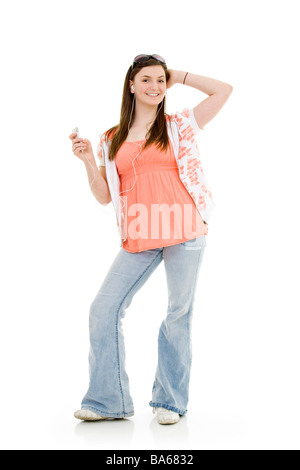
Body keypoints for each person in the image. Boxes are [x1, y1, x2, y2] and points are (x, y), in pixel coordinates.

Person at [69, 54, 233, 425]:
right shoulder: (111, 138)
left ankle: (170, 402)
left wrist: (180, 75)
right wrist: (86, 163)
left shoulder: (179, 126)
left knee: (178, 314)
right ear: (131, 85)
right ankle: (108, 402)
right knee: (103, 309)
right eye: (146, 79)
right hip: (139, 236)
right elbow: (104, 195)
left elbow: (224, 91)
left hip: (184, 229)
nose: (155, 86)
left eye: (160, 80)